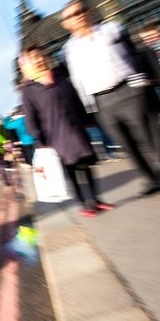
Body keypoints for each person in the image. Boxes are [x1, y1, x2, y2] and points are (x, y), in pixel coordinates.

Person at [60, 0, 160, 196]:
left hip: (128, 89)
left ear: (89, 12)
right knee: (127, 145)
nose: (78, 16)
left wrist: (140, 82)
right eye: (72, 15)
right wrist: (87, 108)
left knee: (151, 135)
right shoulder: (68, 51)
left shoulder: (112, 30)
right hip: (101, 101)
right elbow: (76, 80)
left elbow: (135, 53)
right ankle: (151, 179)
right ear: (65, 24)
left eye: (81, 11)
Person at [18, 45, 114, 217]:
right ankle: (83, 204)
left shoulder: (59, 75)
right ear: (27, 65)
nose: (39, 60)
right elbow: (30, 118)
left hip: (75, 127)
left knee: (86, 163)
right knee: (71, 170)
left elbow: (75, 97)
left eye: (39, 55)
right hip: (55, 135)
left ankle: (95, 200)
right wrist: (40, 140)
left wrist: (87, 120)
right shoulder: (28, 89)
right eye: (33, 58)